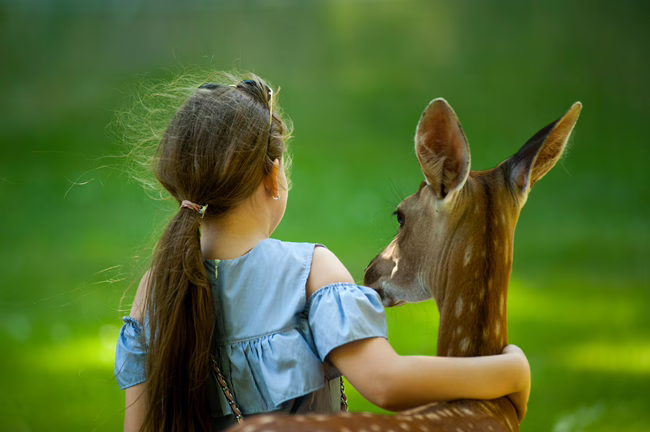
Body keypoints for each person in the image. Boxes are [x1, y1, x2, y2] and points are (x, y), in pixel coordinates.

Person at [114, 74, 531, 432]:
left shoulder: (157, 287)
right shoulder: (310, 270)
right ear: (273, 177)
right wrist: (511, 371)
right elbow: (386, 383)